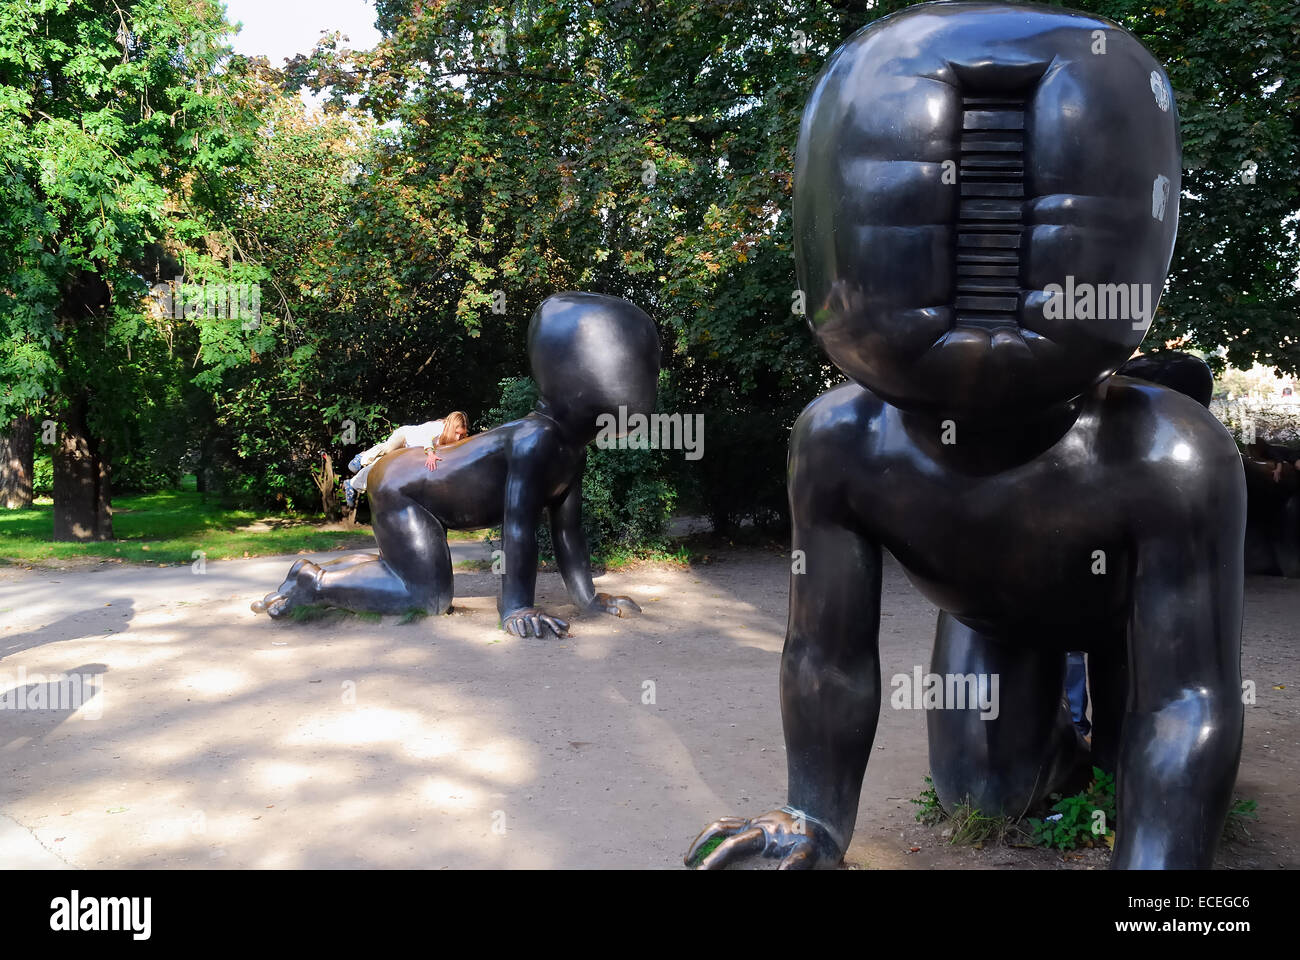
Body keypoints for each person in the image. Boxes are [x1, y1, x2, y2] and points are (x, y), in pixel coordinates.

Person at [344, 412, 469, 508]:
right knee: (388, 448)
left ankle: (353, 484)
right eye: (457, 433)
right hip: (404, 437)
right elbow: (426, 438)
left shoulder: (448, 440)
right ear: (452, 427)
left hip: (408, 450)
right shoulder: (439, 427)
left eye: (461, 435)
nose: (458, 437)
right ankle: (362, 458)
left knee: (381, 465)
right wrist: (430, 453)